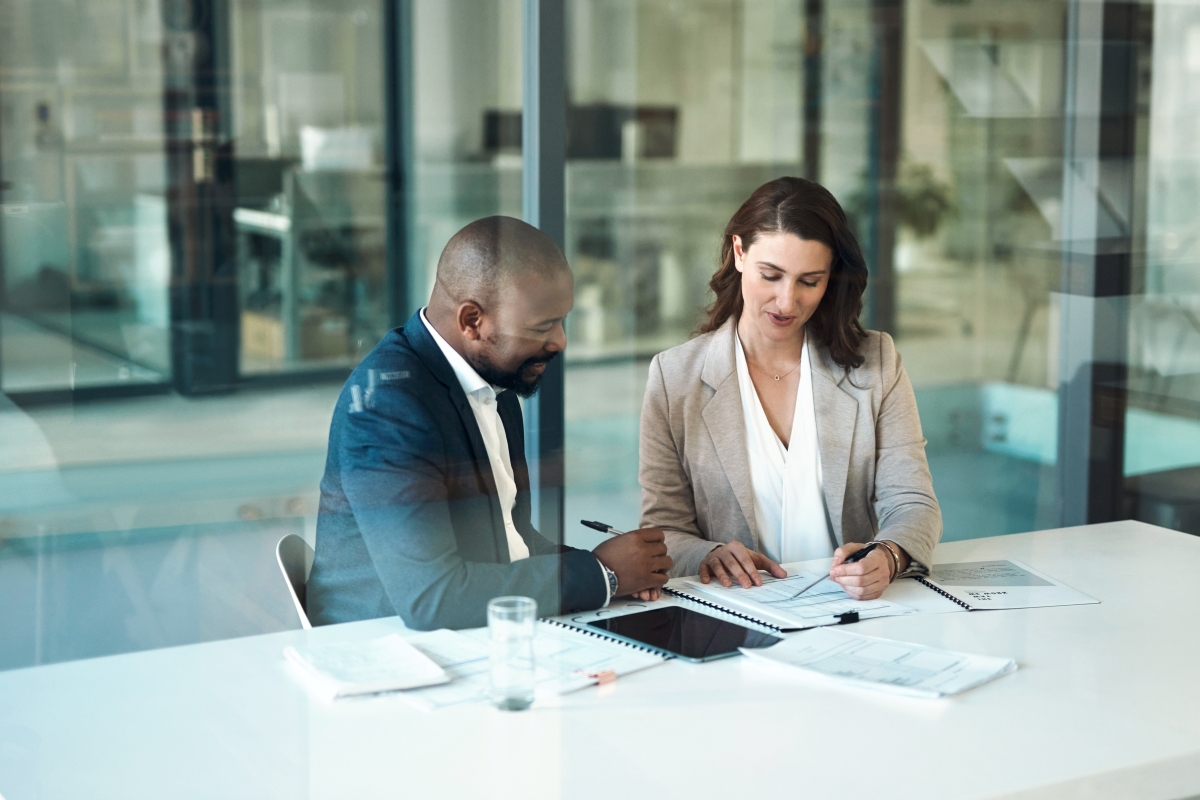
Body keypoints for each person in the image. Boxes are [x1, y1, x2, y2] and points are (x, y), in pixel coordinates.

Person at [306, 216, 671, 630]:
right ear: (471, 321)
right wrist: (601, 575)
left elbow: (509, 537)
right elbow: (433, 598)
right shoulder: (388, 407)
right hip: (386, 651)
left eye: (562, 320)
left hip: (471, 636)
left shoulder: (492, 379)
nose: (560, 341)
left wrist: (610, 568)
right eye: (542, 326)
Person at [637, 177, 941, 601]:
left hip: (852, 611)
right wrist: (709, 554)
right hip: (736, 614)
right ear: (739, 253)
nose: (786, 302)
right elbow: (663, 529)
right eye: (771, 275)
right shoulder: (674, 377)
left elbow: (913, 502)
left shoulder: (877, 362)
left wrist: (889, 555)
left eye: (809, 281)